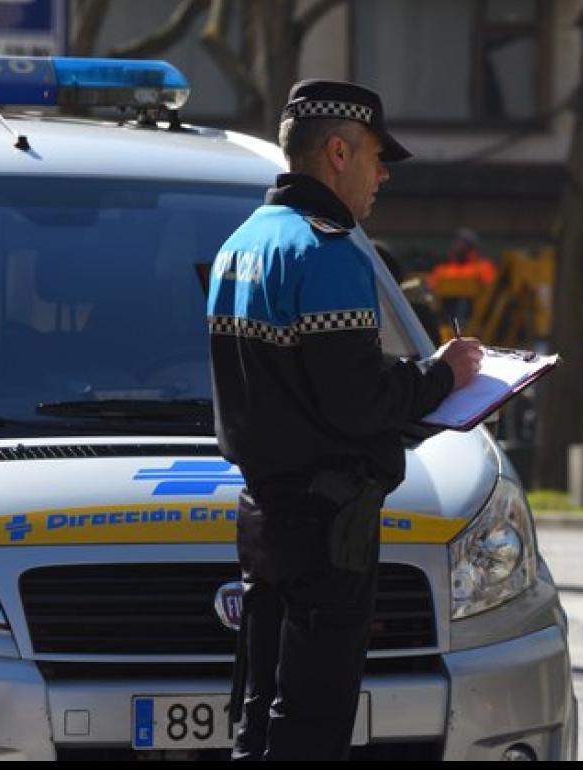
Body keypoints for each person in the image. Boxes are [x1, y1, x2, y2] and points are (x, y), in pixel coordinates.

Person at [206, 79, 482, 760]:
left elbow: (303, 382)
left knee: (259, 715)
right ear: (338, 152)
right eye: (377, 157)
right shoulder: (326, 250)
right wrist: (444, 375)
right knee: (312, 722)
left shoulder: (242, 243)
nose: (382, 175)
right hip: (328, 526)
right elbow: (357, 401)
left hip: (264, 514)